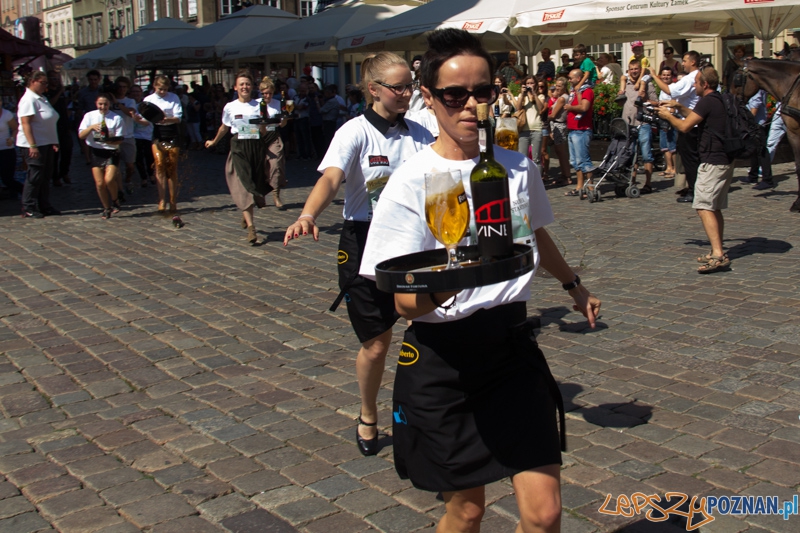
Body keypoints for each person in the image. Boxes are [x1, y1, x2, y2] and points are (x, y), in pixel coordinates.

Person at [358, 29, 601, 532]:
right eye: (455, 94)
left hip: (511, 352)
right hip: (444, 361)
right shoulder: (410, 180)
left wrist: (573, 285)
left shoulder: (515, 166)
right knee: (467, 511)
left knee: (545, 513)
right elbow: (406, 304)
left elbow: (531, 233)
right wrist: (462, 275)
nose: (471, 105)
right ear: (430, 98)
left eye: (482, 91)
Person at [284, 52, 433, 457]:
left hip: (415, 241)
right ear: (374, 90)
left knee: (431, 331)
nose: (407, 93)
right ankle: (369, 414)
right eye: (398, 87)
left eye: (409, 86)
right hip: (365, 240)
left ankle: (427, 413)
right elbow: (331, 177)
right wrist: (308, 213)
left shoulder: (420, 134)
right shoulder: (353, 132)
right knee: (377, 343)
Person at [657, 66, 734, 273]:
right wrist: (678, 106)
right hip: (723, 159)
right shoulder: (717, 99)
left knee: (703, 206)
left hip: (713, 160)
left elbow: (684, 127)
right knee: (714, 206)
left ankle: (718, 254)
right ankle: (716, 249)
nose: (693, 85)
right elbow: (696, 116)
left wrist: (667, 115)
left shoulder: (708, 101)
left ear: (704, 84)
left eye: (696, 83)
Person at [205, 71, 283, 244]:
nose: (244, 87)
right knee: (242, 186)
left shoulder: (260, 104)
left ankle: (246, 211)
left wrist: (263, 129)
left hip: (255, 147)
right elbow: (224, 128)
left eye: (247, 84)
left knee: (253, 184)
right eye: (241, 84)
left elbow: (265, 128)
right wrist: (214, 141)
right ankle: (251, 228)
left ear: (252, 87)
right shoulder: (230, 107)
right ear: (235, 87)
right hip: (239, 147)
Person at [649, 51, 701, 202]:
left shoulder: (691, 77)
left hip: (690, 123)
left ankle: (693, 190)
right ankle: (691, 187)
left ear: (692, 62)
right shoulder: (694, 76)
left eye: (685, 61)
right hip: (689, 120)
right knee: (686, 157)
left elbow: (669, 90)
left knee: (689, 158)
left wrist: (654, 75)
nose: (682, 63)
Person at [17, 71, 60, 218]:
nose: (45, 86)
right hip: (35, 143)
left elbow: (48, 120)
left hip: (46, 142)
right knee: (34, 176)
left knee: (45, 175)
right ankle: (28, 206)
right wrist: (32, 145)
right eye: (43, 83)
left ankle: (44, 205)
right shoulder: (29, 99)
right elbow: (25, 123)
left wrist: (53, 140)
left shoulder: (41, 98)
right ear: (33, 81)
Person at [78, 93, 124, 219]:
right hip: (96, 152)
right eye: (100, 104)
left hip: (111, 151)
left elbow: (119, 139)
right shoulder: (89, 116)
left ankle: (115, 200)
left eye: (105, 104)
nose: (103, 107)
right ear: (96, 104)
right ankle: (106, 207)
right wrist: (91, 128)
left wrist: (108, 139)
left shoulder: (116, 118)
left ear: (109, 104)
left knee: (109, 180)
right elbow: (81, 135)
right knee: (99, 183)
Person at [144, 75, 183, 213]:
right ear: (155, 86)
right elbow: (145, 119)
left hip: (171, 132)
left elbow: (178, 117)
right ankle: (162, 199)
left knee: (171, 167)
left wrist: (166, 119)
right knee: (159, 165)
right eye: (160, 89)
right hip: (157, 133)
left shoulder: (173, 97)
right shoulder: (149, 100)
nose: (162, 92)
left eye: (165, 89)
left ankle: (173, 200)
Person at [620, 59, 658, 193]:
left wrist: (645, 100)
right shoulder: (626, 84)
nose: (634, 71)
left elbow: (656, 103)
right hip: (628, 124)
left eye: (636, 69)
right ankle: (632, 180)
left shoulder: (647, 84)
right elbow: (620, 102)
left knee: (646, 154)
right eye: (632, 69)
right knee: (631, 153)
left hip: (643, 123)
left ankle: (648, 183)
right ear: (628, 70)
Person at [259, 77, 289, 210]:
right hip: (259, 136)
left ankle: (276, 194)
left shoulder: (278, 104)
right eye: (264, 93)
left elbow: (283, 124)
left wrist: (284, 119)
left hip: (274, 135)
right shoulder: (256, 104)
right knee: (261, 166)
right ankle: (261, 194)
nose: (267, 96)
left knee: (275, 164)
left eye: (269, 93)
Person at [564, 69, 594, 197]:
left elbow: (584, 107)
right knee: (575, 161)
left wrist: (570, 108)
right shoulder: (574, 92)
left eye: (571, 78)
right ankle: (579, 186)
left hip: (582, 130)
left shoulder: (586, 91)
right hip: (573, 129)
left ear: (578, 78)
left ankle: (591, 187)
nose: (569, 80)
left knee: (584, 160)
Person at [112, 77, 137, 196]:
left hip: (128, 135)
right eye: (119, 87)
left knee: (130, 165)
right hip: (114, 136)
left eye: (124, 87)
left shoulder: (130, 101)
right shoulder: (108, 100)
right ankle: (119, 188)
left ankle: (128, 179)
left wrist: (117, 103)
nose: (121, 89)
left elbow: (130, 113)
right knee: (115, 165)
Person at [46, 70, 72, 187]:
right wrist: (59, 92)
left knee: (68, 149)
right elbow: (50, 104)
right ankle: (55, 177)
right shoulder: (46, 92)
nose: (55, 81)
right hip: (53, 126)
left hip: (64, 124)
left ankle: (64, 172)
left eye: (57, 79)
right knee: (55, 153)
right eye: (53, 78)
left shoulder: (61, 92)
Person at [744, 88, 773, 190]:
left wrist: (747, 121)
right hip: (755, 123)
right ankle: (753, 175)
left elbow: (755, 106)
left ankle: (767, 179)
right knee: (754, 149)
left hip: (757, 123)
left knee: (762, 151)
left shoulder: (756, 89)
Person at [516, 76, 546, 165]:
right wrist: (522, 94)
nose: (529, 85)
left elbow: (541, 108)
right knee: (522, 158)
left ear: (535, 84)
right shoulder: (522, 96)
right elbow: (518, 108)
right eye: (528, 83)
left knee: (536, 159)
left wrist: (534, 93)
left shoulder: (540, 95)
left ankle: (537, 178)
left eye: (532, 83)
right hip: (523, 130)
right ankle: (525, 178)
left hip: (536, 129)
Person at [129, 85, 155, 188]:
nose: (136, 94)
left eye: (137, 91)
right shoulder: (129, 105)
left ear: (141, 93)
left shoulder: (146, 104)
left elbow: (148, 121)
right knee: (138, 157)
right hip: (134, 134)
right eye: (133, 92)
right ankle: (143, 177)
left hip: (147, 134)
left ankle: (151, 174)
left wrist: (137, 119)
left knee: (149, 156)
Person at [548, 78, 572, 185]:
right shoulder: (560, 97)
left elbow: (553, 115)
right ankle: (564, 174)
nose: (557, 88)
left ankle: (566, 176)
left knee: (561, 152)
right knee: (559, 152)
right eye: (556, 85)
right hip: (557, 125)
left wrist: (542, 117)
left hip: (559, 125)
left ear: (564, 87)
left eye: (560, 86)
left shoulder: (562, 99)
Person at [75, 70, 102, 166]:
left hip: (100, 117)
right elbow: (79, 106)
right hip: (87, 116)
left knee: (99, 137)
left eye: (95, 79)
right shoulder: (83, 92)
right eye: (91, 79)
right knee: (85, 139)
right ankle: (88, 159)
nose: (93, 81)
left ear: (99, 79)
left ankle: (97, 155)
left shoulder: (102, 90)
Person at [658, 67, 678, 179]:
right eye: (664, 75)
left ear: (672, 76)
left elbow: (674, 106)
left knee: (672, 145)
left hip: (671, 118)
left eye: (668, 75)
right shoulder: (662, 89)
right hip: (662, 118)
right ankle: (668, 167)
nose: (665, 77)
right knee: (664, 145)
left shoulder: (673, 88)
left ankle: (675, 168)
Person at [0, 106, 21, 197]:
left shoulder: (6, 114)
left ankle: (28, 194)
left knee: (7, 178)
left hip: (6, 150)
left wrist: (12, 139)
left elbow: (16, 128)